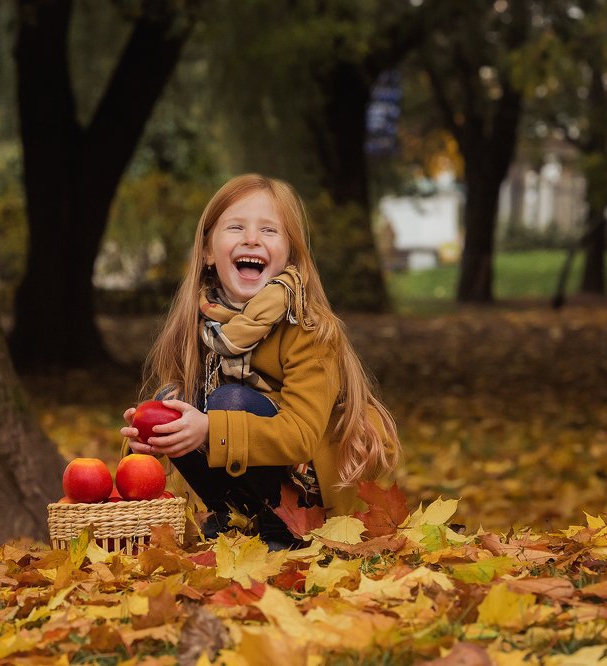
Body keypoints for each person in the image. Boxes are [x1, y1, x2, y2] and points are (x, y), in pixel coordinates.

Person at [120, 173, 400, 548]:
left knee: (227, 402)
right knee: (175, 398)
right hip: (244, 479)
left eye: (269, 231)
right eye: (236, 227)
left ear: (290, 255)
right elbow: (183, 420)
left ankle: (282, 532)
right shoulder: (204, 324)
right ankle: (237, 520)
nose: (252, 239)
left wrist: (207, 429)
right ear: (206, 252)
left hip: (310, 497)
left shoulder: (307, 327)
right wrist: (148, 442)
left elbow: (300, 437)